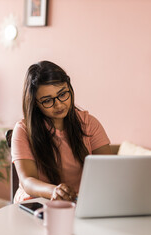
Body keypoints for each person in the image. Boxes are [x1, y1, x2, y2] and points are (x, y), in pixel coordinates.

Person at [11, 60, 111, 203]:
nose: (58, 104)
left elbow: (108, 170)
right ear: (35, 103)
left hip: (78, 201)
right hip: (37, 201)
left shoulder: (88, 123)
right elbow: (27, 181)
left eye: (63, 94)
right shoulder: (23, 130)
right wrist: (53, 191)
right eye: (47, 100)